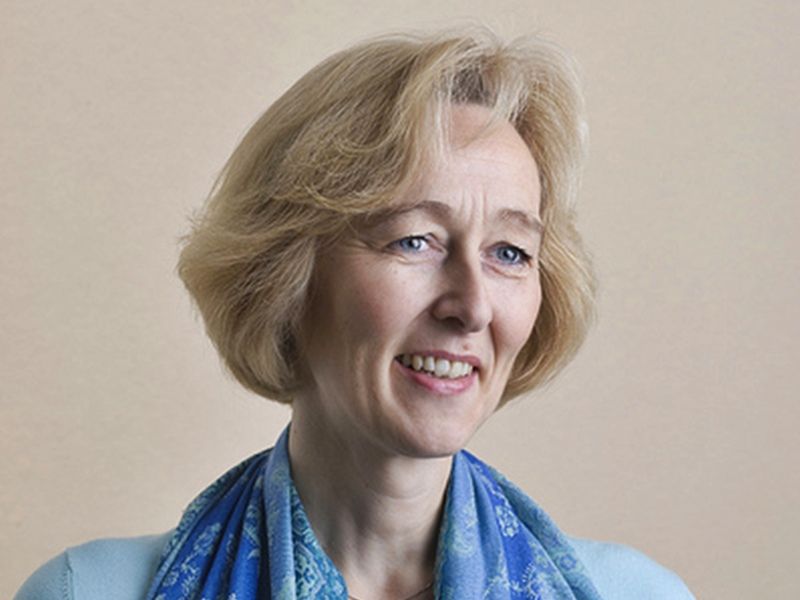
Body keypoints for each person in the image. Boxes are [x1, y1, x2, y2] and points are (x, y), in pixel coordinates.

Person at [15, 28, 695, 600]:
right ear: (288, 273)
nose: (472, 305)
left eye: (509, 252)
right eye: (414, 240)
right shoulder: (86, 592)